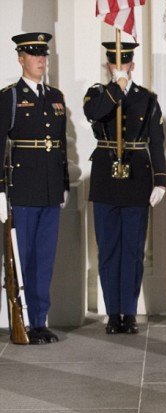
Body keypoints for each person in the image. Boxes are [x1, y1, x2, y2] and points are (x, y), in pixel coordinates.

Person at [83, 42, 166, 335]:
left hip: (136, 180)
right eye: (115, 63)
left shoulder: (147, 98)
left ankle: (128, 314)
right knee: (108, 250)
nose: (120, 67)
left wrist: (160, 180)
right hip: (106, 178)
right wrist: (116, 88)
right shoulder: (97, 94)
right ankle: (112, 313)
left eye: (125, 63)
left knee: (132, 250)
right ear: (108, 65)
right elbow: (94, 114)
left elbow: (156, 141)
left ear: (132, 65)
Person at [0, 32, 68, 345]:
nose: (41, 60)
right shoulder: (10, 97)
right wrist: (0, 190)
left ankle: (40, 321)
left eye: (43, 55)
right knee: (22, 258)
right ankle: (23, 321)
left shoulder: (55, 96)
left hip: (50, 190)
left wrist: (63, 183)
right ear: (21, 59)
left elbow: (60, 144)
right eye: (34, 55)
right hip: (23, 190)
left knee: (44, 259)